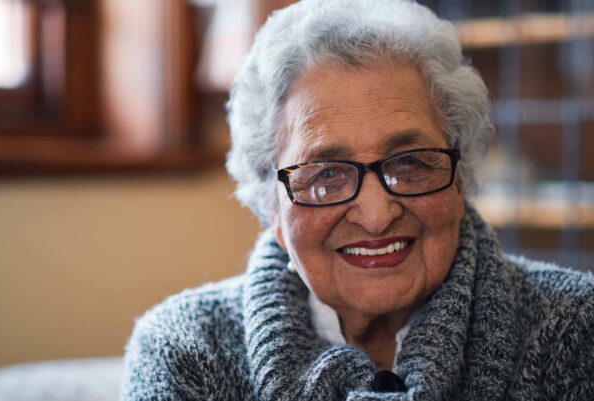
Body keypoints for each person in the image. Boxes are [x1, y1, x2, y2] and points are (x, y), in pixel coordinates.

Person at [121, 1, 594, 400]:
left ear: (460, 176)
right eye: (326, 175)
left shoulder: (575, 329)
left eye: (410, 163)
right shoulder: (186, 348)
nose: (375, 215)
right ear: (272, 207)